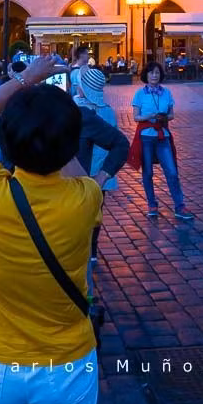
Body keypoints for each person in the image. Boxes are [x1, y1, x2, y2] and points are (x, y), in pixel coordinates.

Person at [0, 54, 102, 404]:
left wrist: (27, 80)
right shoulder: (86, 197)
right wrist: (57, 124)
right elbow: (72, 168)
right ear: (71, 142)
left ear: (6, 144)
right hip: (68, 363)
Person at [73, 66, 128, 271]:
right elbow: (117, 141)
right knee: (97, 209)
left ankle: (85, 250)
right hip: (101, 171)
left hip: (81, 168)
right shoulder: (107, 110)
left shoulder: (75, 109)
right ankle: (92, 250)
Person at [129, 62, 194, 221]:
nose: (154, 76)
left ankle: (179, 206)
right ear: (146, 75)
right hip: (146, 137)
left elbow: (171, 114)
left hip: (162, 136)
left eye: (157, 73)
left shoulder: (166, 93)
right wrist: (149, 116)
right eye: (151, 73)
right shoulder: (140, 94)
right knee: (148, 173)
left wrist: (164, 117)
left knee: (172, 172)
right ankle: (152, 204)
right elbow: (136, 117)